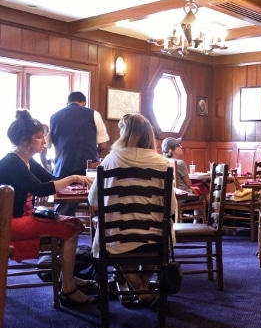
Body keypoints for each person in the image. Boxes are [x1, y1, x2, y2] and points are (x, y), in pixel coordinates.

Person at [0, 109, 96, 306]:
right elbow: (42, 189)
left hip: (20, 217)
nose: (44, 142)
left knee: (73, 224)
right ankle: (68, 288)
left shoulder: (24, 160)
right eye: (39, 137)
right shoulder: (13, 162)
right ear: (25, 142)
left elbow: (51, 180)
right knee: (72, 227)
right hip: (10, 223)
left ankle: (67, 278)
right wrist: (75, 177)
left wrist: (72, 182)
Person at [88, 113, 176, 307]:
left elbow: (93, 199)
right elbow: (171, 208)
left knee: (122, 240)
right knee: (153, 236)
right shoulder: (164, 164)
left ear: (124, 134)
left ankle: (139, 290)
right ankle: (144, 290)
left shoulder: (111, 160)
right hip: (154, 239)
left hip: (117, 238)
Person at [49, 91, 109, 216]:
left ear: (67, 103)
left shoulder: (54, 116)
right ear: (84, 103)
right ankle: (96, 229)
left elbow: (46, 145)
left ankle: (63, 232)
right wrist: (93, 156)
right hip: (88, 171)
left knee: (63, 211)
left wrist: (47, 165)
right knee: (96, 205)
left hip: (63, 169)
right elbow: (103, 145)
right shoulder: (93, 114)